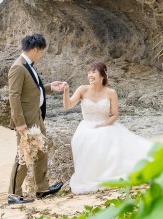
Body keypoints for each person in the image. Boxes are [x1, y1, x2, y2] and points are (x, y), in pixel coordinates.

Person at [62, 62, 153, 194]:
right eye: (89, 72)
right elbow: (68, 105)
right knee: (84, 139)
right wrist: (66, 91)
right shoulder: (82, 89)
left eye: (93, 72)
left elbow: (115, 115)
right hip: (87, 126)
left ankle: (109, 174)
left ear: (102, 77)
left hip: (106, 124)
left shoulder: (111, 92)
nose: (90, 75)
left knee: (105, 139)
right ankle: (92, 176)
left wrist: (103, 125)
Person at [7, 33, 65, 204]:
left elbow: (33, 89)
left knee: (41, 152)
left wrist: (50, 88)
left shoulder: (28, 65)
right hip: (26, 121)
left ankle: (42, 188)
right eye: (41, 52)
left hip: (37, 117)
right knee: (24, 156)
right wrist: (20, 123)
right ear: (34, 49)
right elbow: (14, 96)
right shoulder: (18, 67)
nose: (41, 55)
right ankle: (13, 194)